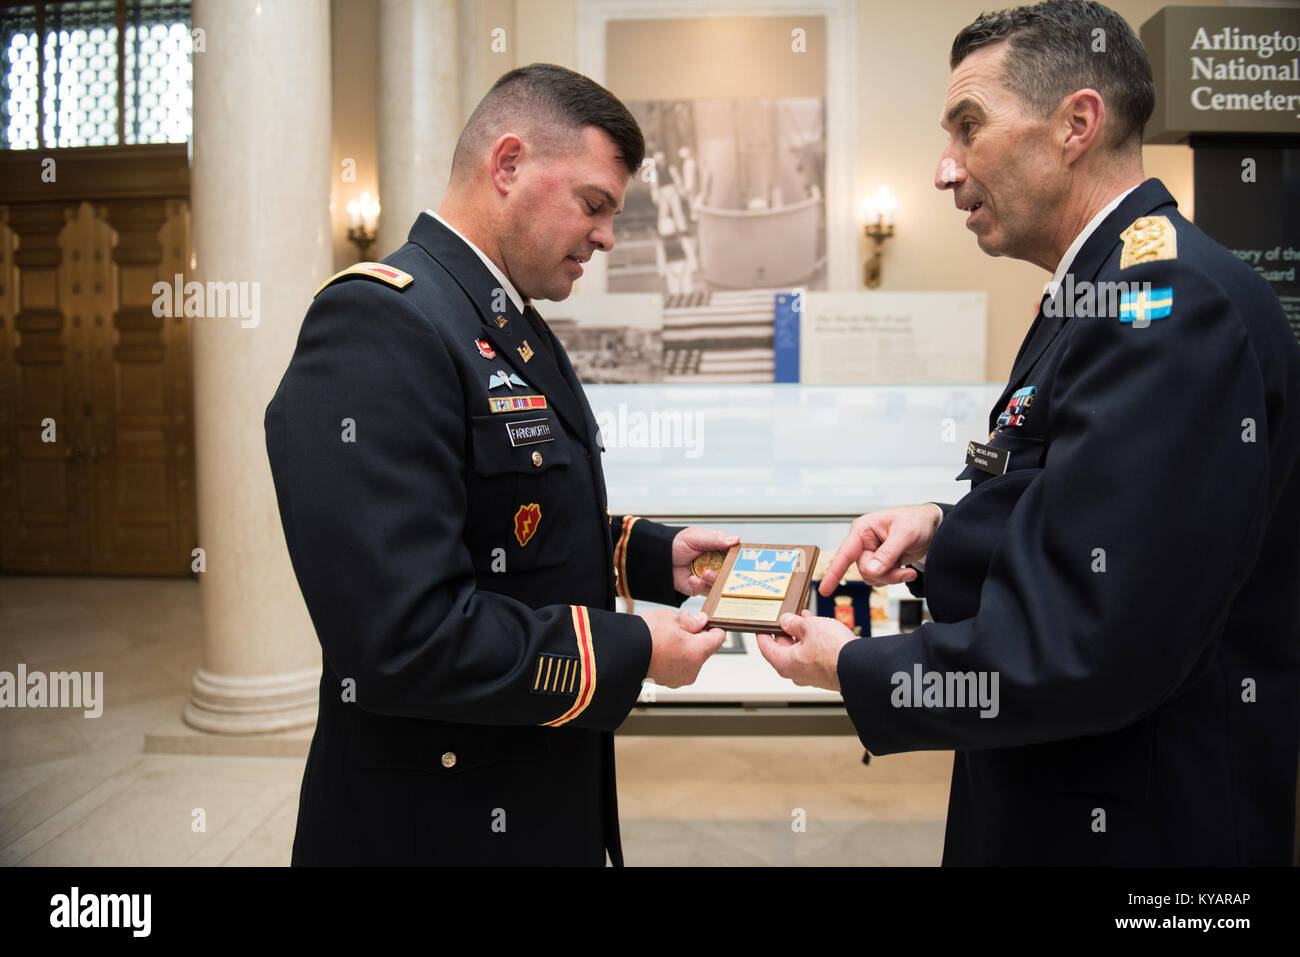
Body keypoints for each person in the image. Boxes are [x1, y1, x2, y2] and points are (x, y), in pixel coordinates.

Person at [758, 0, 1300, 865]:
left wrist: (856, 667)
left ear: (1075, 124)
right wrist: (946, 530)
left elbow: (1091, 639)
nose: (945, 169)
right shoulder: (1105, 284)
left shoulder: (1162, 301)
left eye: (969, 127)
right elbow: (1091, 512)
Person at [265, 63, 735, 866]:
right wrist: (632, 650)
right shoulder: (379, 320)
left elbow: (514, 516)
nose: (606, 237)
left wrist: (651, 555)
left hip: (531, 785)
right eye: (594, 205)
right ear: (508, 165)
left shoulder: (503, 317)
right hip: (434, 819)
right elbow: (404, 638)